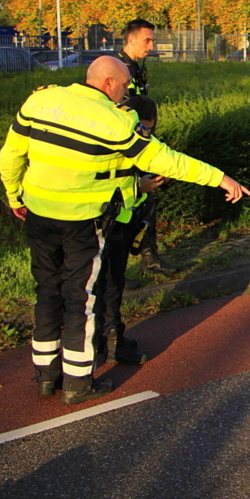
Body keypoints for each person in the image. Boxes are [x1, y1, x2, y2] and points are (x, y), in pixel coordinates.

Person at [0, 56, 250, 404]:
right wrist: (219, 177)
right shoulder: (115, 123)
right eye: (124, 85)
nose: (126, 92)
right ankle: (77, 382)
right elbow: (167, 160)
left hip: (39, 215)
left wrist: (14, 195)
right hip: (83, 222)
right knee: (80, 299)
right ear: (107, 83)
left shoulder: (40, 101)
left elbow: (11, 155)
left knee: (47, 292)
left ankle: (45, 375)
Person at [94, 95, 163, 366]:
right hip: (108, 221)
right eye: (143, 129)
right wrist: (138, 186)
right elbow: (108, 181)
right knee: (108, 284)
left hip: (118, 219)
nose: (145, 135)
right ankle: (111, 342)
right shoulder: (115, 138)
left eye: (149, 130)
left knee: (111, 283)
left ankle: (107, 338)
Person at [115, 18, 178, 276]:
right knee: (127, 207)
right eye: (147, 40)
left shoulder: (135, 67)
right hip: (125, 149)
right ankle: (117, 267)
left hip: (139, 145)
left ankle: (149, 258)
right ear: (130, 39)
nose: (151, 45)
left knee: (147, 199)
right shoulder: (118, 70)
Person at [116, 19, 153, 97]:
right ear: (131, 41)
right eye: (147, 41)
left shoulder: (133, 65)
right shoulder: (117, 68)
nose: (151, 47)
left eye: (153, 41)